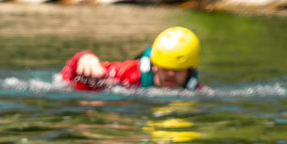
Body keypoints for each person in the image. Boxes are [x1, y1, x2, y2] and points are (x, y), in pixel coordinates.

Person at [59, 25, 201, 92]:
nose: (171, 74)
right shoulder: (127, 73)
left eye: (178, 70)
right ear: (154, 65)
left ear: (190, 70)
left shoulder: (197, 91)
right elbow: (70, 75)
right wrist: (83, 57)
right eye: (165, 68)